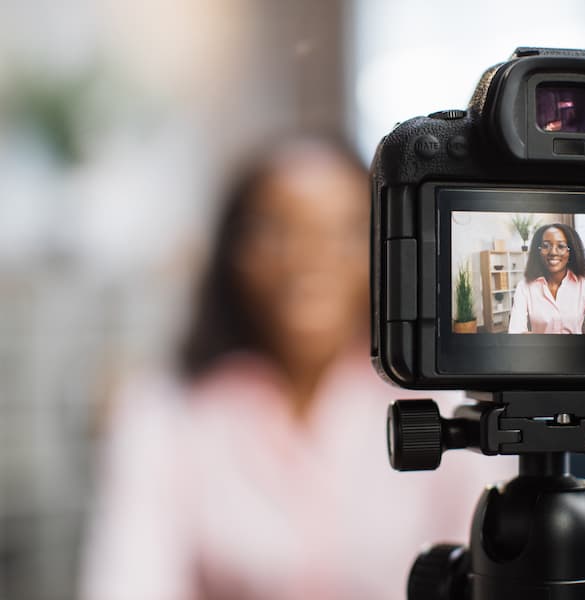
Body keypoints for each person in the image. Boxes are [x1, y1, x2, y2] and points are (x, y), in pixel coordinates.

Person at [79, 138, 513, 600]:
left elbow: (490, 572)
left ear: (389, 250)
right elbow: (131, 580)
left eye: (343, 231)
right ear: (234, 252)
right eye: (276, 230)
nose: (309, 257)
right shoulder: (166, 412)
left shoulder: (448, 405)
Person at [508, 223, 585, 335]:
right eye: (546, 246)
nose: (553, 252)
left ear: (571, 251)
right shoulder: (524, 287)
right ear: (538, 251)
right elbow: (515, 332)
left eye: (561, 246)